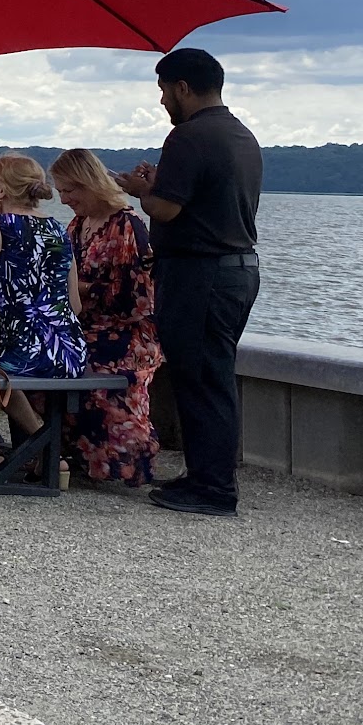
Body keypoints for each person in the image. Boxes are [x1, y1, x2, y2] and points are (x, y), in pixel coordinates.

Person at [115, 48, 262, 517]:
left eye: (162, 90)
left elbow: (167, 210)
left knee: (201, 379)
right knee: (214, 375)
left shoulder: (188, 137)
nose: (161, 101)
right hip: (239, 269)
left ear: (181, 87)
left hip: (201, 273)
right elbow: (202, 196)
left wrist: (142, 191)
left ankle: (214, 488)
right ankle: (207, 474)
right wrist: (164, 184)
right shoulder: (241, 135)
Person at [0, 154, 86, 482]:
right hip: (68, 348)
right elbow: (75, 303)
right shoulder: (57, 229)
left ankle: (4, 449)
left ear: (3, 190)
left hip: (21, 347)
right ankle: (40, 447)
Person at [51, 148, 160, 487]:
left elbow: (138, 299)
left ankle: (118, 463)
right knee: (40, 357)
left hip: (124, 332)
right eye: (60, 192)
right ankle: (54, 453)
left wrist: (83, 290)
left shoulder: (127, 226)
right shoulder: (77, 226)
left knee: (86, 364)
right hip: (84, 325)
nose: (65, 199)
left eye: (71, 190)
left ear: (90, 183)